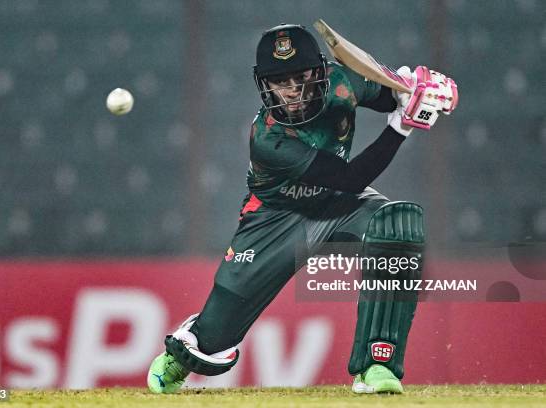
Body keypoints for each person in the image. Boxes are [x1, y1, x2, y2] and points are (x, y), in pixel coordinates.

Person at [147, 23, 457, 394]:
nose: (290, 91)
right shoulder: (269, 138)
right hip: (274, 218)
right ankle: (185, 351)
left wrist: (417, 89)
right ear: (264, 83)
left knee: (397, 226)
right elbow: (351, 177)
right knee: (210, 345)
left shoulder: (345, 83)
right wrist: (402, 128)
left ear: (318, 72)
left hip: (339, 206)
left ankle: (378, 364)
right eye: (279, 81)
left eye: (299, 78)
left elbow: (393, 98)